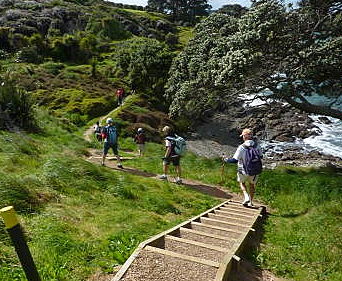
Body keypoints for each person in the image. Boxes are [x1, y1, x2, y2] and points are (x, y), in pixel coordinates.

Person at [223, 128, 263, 207]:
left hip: (243, 170)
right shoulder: (257, 146)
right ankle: (251, 202)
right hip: (254, 171)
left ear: (244, 137)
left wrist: (226, 159)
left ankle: (246, 196)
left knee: (242, 183)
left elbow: (234, 160)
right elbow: (261, 156)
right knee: (252, 185)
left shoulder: (241, 147)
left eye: (243, 136)